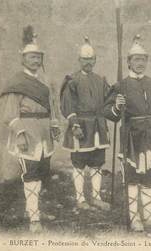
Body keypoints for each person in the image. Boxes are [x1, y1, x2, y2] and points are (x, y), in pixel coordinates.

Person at [103, 35, 151, 232]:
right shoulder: (120, 86)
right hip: (131, 136)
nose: (140, 63)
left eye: (143, 59)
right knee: (133, 178)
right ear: (128, 62)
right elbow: (108, 113)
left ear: (147, 62)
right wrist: (116, 106)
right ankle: (134, 218)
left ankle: (148, 217)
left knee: (150, 176)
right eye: (136, 59)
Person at [0, 26, 60, 233]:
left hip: (44, 134)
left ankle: (33, 209)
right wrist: (20, 134)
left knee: (42, 172)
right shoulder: (16, 82)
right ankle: (34, 218)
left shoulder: (43, 82)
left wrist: (54, 126)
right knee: (31, 174)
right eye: (32, 57)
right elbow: (9, 114)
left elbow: (52, 106)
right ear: (23, 59)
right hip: (27, 133)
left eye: (38, 57)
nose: (36, 61)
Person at [60, 37, 111, 211]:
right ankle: (80, 199)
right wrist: (74, 125)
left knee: (97, 163)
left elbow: (109, 100)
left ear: (95, 60)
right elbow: (68, 104)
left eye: (91, 59)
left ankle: (96, 197)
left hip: (98, 126)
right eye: (84, 59)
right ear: (79, 60)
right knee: (79, 163)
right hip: (81, 126)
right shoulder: (72, 80)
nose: (88, 62)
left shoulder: (100, 80)